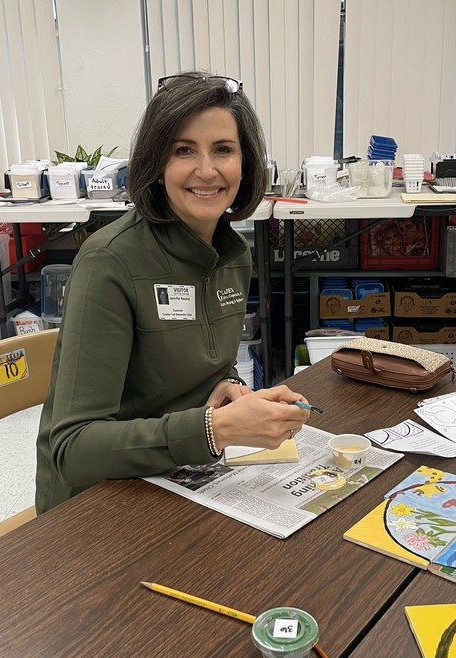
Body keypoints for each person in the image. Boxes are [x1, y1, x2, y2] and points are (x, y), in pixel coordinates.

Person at [35, 71, 311, 513]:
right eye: (184, 150)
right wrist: (214, 429)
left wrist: (232, 391)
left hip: (180, 478)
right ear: (156, 165)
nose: (207, 170)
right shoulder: (110, 262)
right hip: (94, 506)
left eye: (223, 149)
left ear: (247, 163)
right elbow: (72, 449)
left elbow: (195, 376)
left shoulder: (232, 255)